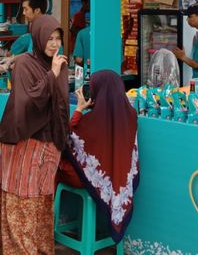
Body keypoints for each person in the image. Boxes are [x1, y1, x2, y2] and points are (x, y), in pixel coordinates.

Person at [0, 15, 69, 254]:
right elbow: (28, 102)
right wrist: (52, 75)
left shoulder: (57, 64)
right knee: (21, 201)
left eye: (58, 38)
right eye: (49, 38)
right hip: (23, 141)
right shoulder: (25, 64)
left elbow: (59, 105)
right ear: (37, 38)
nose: (54, 43)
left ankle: (39, 249)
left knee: (41, 201)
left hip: (48, 144)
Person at [58, 69, 140, 244]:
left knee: (55, 165)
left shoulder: (93, 120)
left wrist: (79, 109)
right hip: (118, 181)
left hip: (85, 180)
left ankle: (53, 224)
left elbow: (67, 137)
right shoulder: (131, 115)